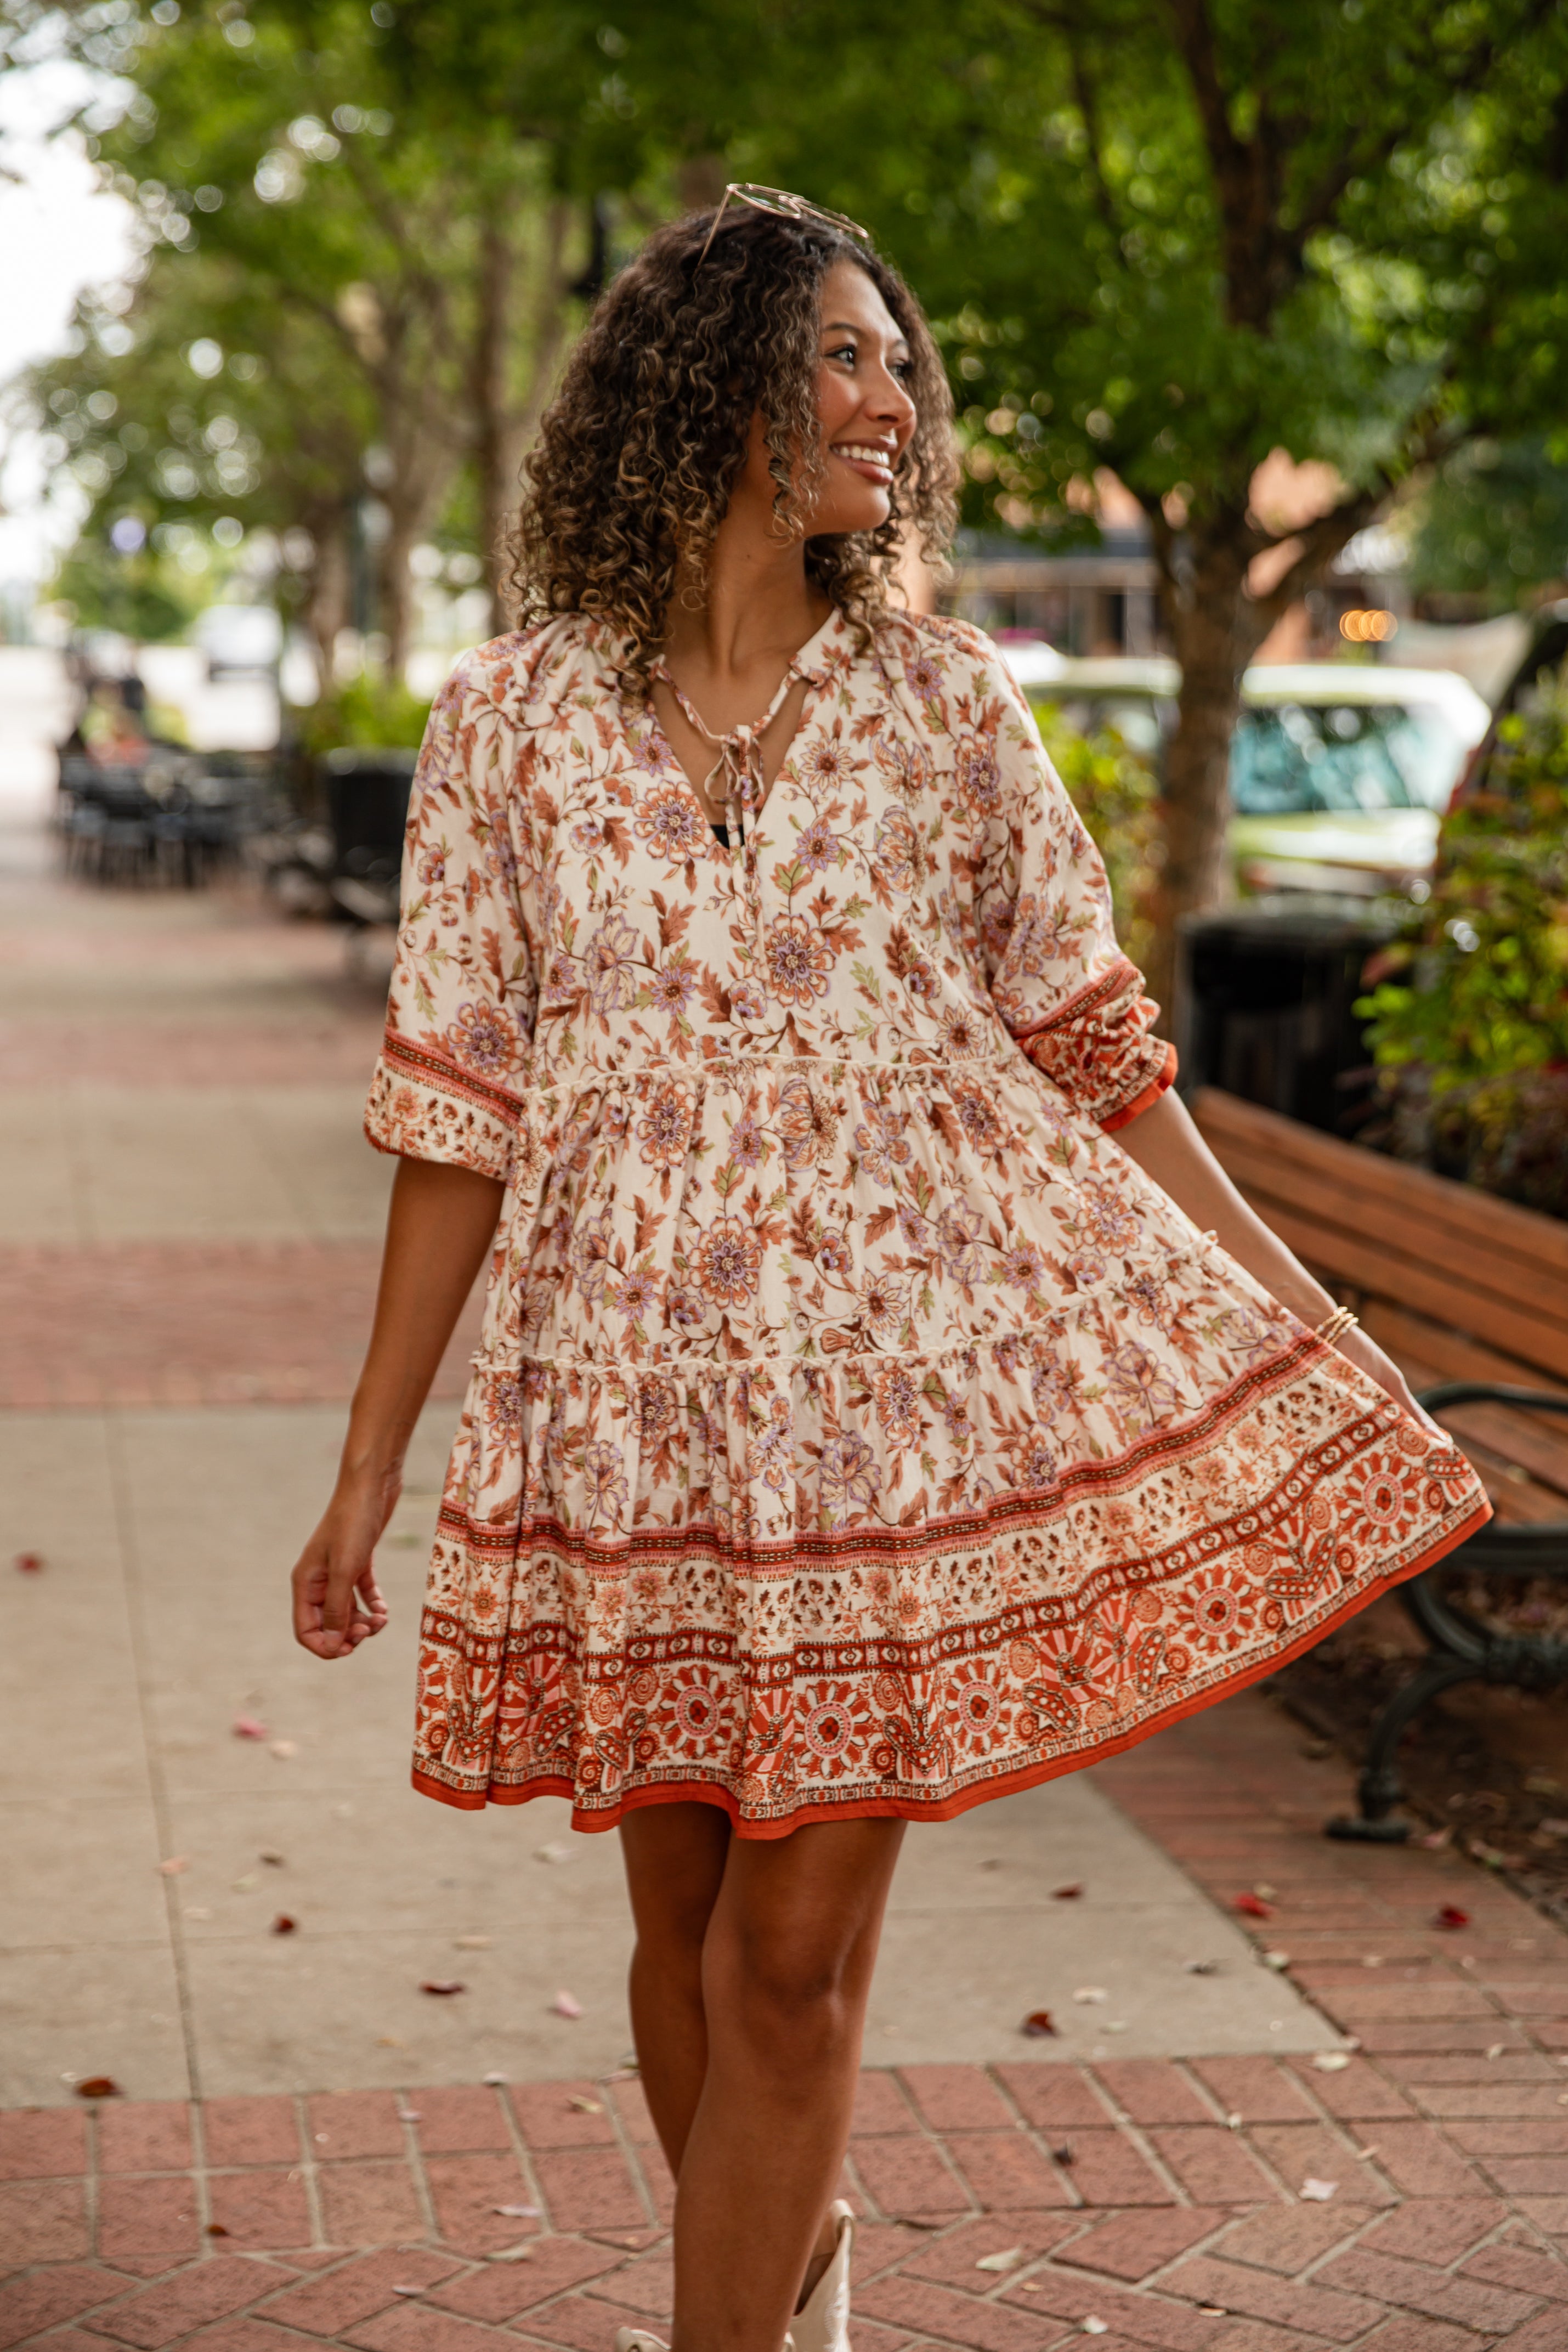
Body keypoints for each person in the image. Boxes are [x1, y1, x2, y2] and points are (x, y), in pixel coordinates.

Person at [290, 188, 1487, 2352]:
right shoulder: (506, 728)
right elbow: (451, 1105)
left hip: (871, 1422)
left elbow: (1100, 1044)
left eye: (894, 359)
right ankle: (801, 2274)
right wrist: (369, 1462)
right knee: (677, 1940)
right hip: (618, 1407)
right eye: (842, 355)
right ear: (715, 389)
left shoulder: (942, 709)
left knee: (784, 1958)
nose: (892, 396)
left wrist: (1298, 1318)